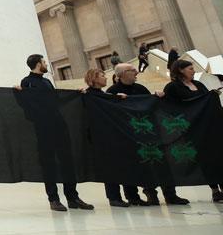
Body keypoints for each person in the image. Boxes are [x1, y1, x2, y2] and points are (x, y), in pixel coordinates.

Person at [15, 55, 94, 212]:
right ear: (38, 64)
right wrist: (19, 94)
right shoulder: (27, 82)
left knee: (67, 161)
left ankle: (73, 197)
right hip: (43, 129)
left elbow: (56, 100)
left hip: (59, 125)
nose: (45, 64)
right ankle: (54, 199)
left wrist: (75, 94)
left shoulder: (46, 81)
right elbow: (28, 105)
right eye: (44, 62)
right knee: (48, 163)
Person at [107, 63, 186, 206]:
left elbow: (150, 105)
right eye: (132, 70)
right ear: (123, 74)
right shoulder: (112, 91)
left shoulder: (140, 88)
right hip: (129, 135)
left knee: (161, 163)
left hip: (149, 131)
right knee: (138, 166)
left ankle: (170, 194)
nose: (136, 72)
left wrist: (158, 96)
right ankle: (144, 194)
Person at [162, 60, 223, 203]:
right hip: (191, 129)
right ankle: (215, 190)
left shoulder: (199, 85)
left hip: (209, 127)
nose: (193, 71)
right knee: (206, 158)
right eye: (190, 68)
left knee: (219, 156)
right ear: (181, 70)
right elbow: (169, 106)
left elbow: (206, 102)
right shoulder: (172, 87)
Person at [81, 69, 130, 207]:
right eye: (102, 76)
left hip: (108, 135)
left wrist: (116, 98)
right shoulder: (88, 95)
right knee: (110, 167)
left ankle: (116, 196)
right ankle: (114, 197)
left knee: (114, 166)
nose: (106, 78)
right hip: (99, 137)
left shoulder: (102, 95)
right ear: (94, 78)